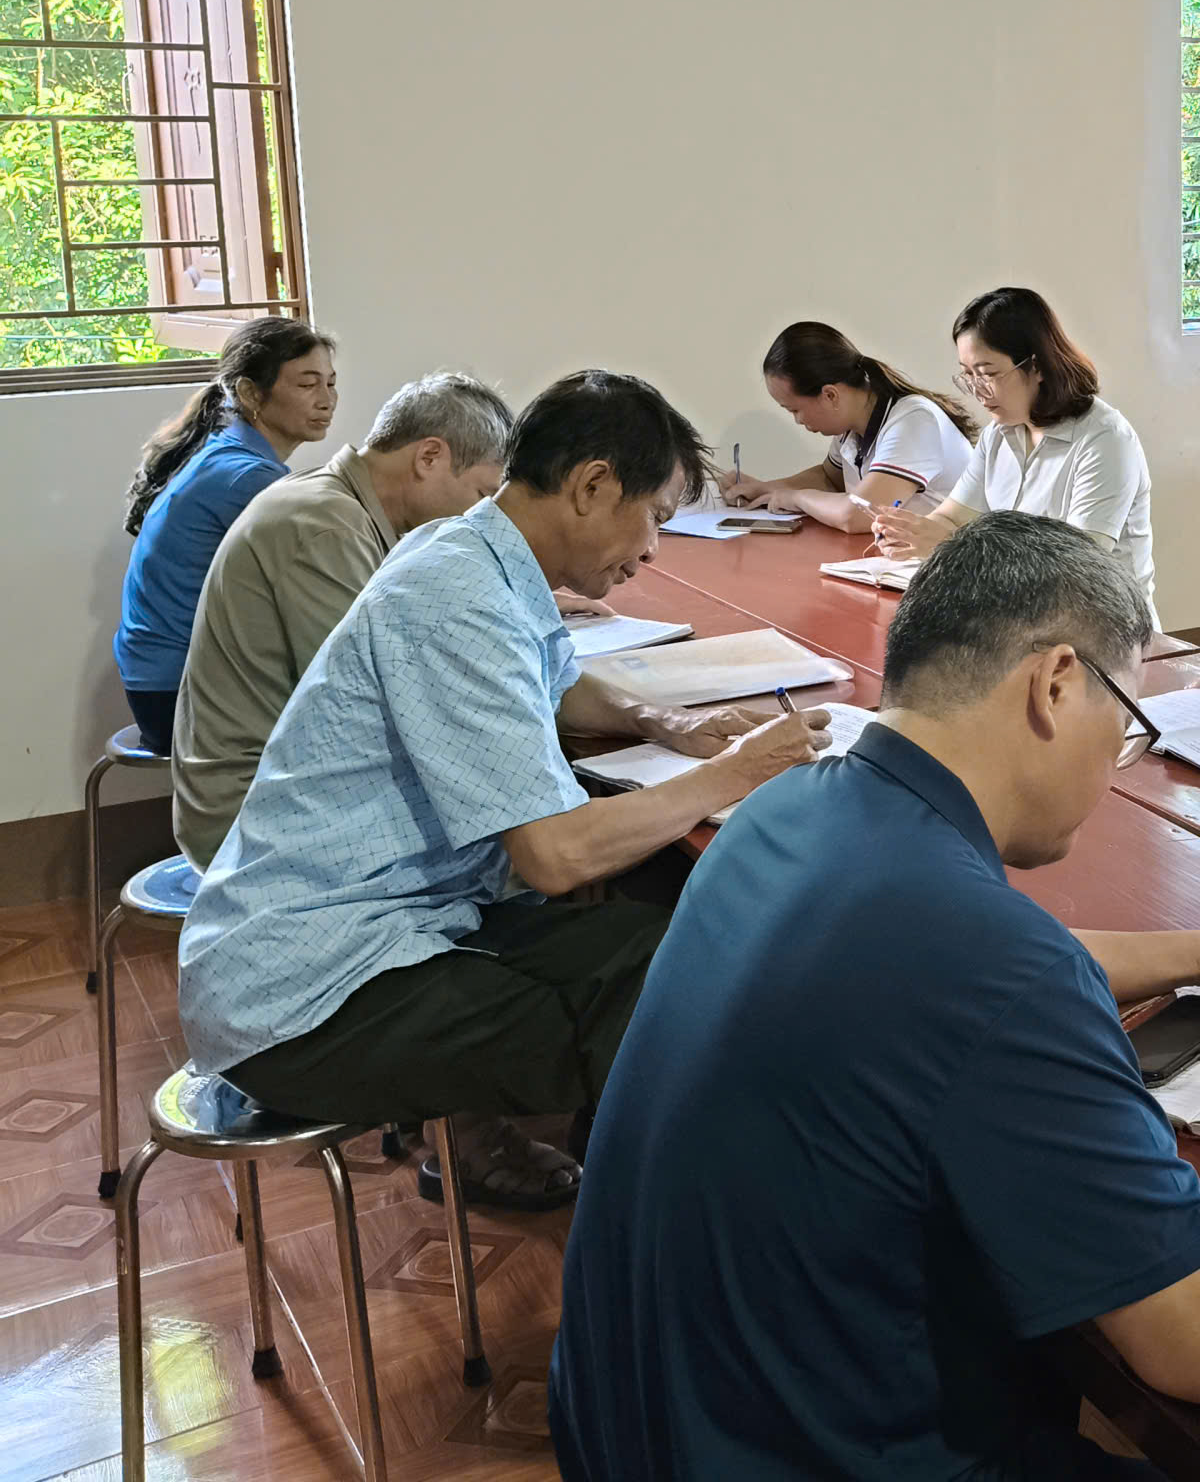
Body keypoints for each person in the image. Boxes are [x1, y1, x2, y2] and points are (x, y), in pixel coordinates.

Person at [551, 513, 1200, 1480]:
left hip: (627, 1427)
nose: (1115, 769)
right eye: (1124, 728)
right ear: (1055, 684)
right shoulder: (994, 968)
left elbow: (940, 975)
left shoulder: (782, 811)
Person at [177, 371, 827, 1207]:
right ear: (593, 486)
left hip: (387, 929)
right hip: (308, 995)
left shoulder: (474, 553)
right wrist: (735, 772)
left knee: (672, 943)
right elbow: (554, 856)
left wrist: (662, 721)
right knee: (680, 997)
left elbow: (552, 685)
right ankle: (653, 1223)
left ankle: (634, 1189)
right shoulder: (458, 595)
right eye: (655, 517)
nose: (653, 550)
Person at [171, 372, 515, 867]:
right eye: (483, 493)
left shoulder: (344, 506)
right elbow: (374, 699)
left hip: (288, 781)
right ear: (429, 457)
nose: (480, 516)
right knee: (514, 847)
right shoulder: (325, 527)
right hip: (254, 813)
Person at [115, 317, 337, 752]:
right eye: (307, 385)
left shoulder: (227, 454)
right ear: (250, 393)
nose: (326, 400)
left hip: (155, 686)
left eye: (331, 383)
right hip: (177, 697)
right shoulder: (246, 478)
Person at [874, 287, 1156, 616]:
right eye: (968, 375)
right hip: (1020, 618)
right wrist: (909, 532)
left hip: (1103, 624)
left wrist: (951, 546)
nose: (977, 391)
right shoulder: (999, 434)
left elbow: (1078, 569)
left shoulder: (1104, 439)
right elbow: (952, 517)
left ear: (1037, 366)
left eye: (988, 374)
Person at [723, 320, 976, 531]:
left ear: (830, 395)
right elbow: (828, 478)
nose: (798, 421)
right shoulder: (852, 427)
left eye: (795, 409)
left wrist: (796, 497)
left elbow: (858, 515)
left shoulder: (914, 422)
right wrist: (765, 489)